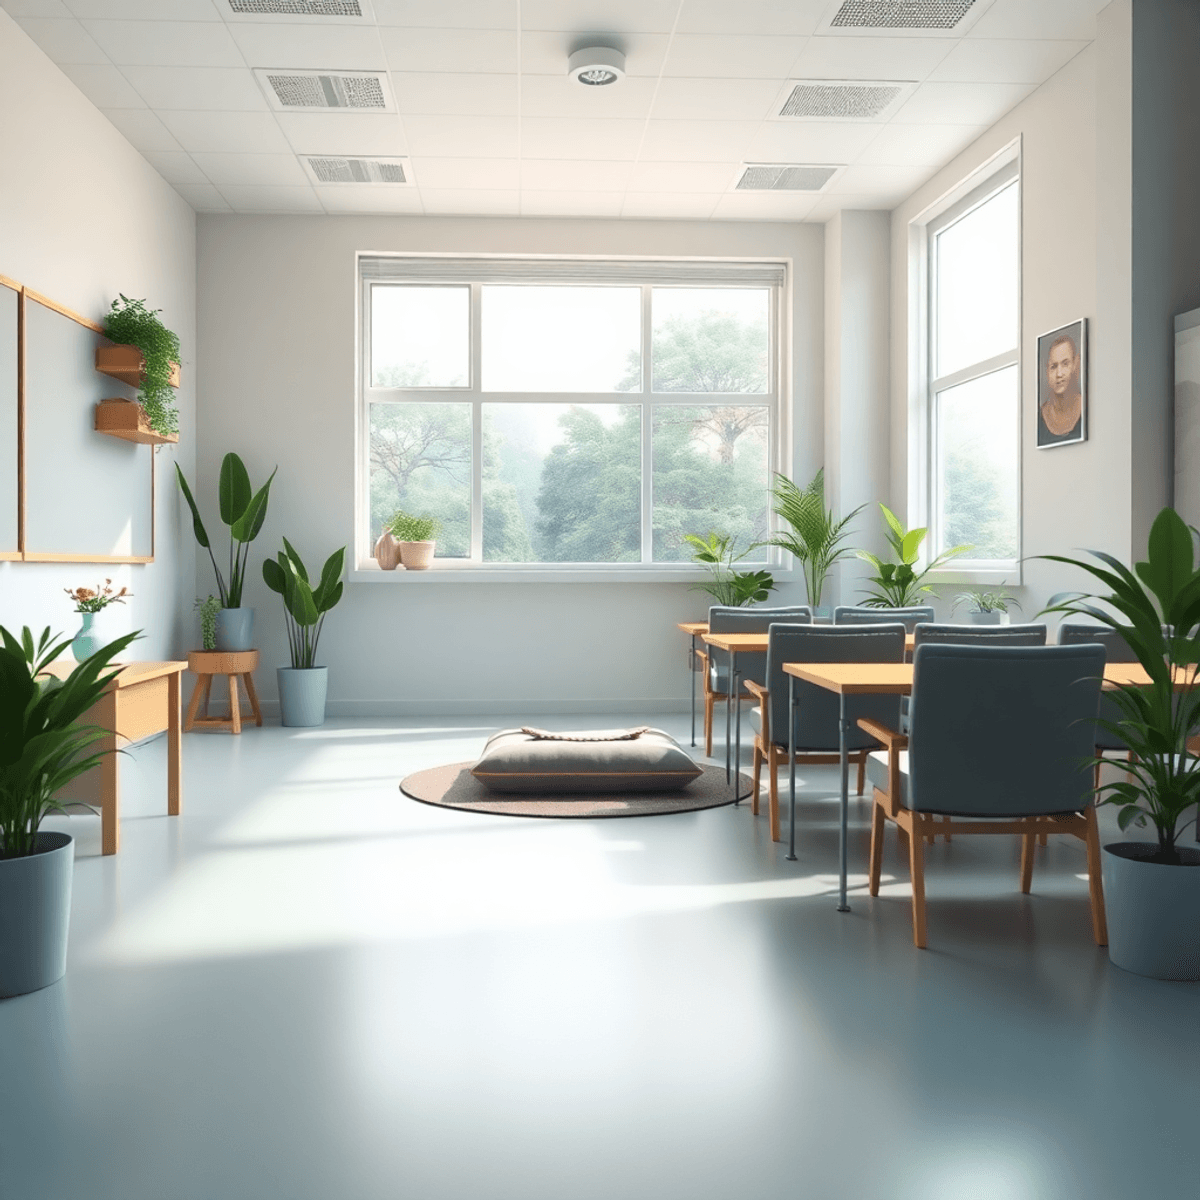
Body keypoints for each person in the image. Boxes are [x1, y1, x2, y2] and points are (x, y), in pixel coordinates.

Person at [1038, 331, 1082, 445]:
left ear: (1075, 364)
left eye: (1065, 364)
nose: (1059, 374)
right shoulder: (1040, 417)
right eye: (1053, 367)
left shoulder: (1087, 407)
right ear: (1047, 371)